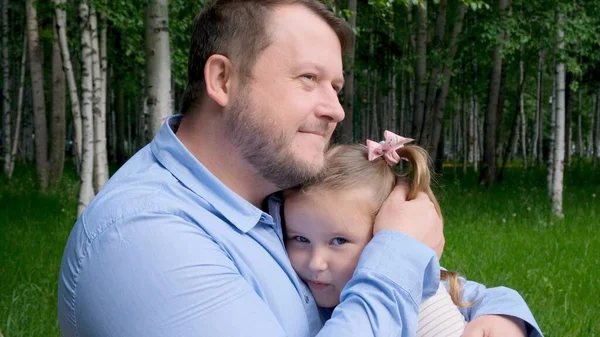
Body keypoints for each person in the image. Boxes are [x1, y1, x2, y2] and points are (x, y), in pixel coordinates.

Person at [58, 1, 543, 336]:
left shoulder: (277, 194)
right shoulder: (145, 238)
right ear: (223, 79)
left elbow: (441, 292)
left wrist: (503, 316)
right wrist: (399, 250)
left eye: (336, 87)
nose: (337, 110)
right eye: (309, 79)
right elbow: (393, 274)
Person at [283, 131, 543, 337]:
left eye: (338, 241)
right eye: (300, 239)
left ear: (385, 237)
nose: (315, 262)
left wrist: (504, 320)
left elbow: (489, 296)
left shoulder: (423, 284)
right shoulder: (309, 310)